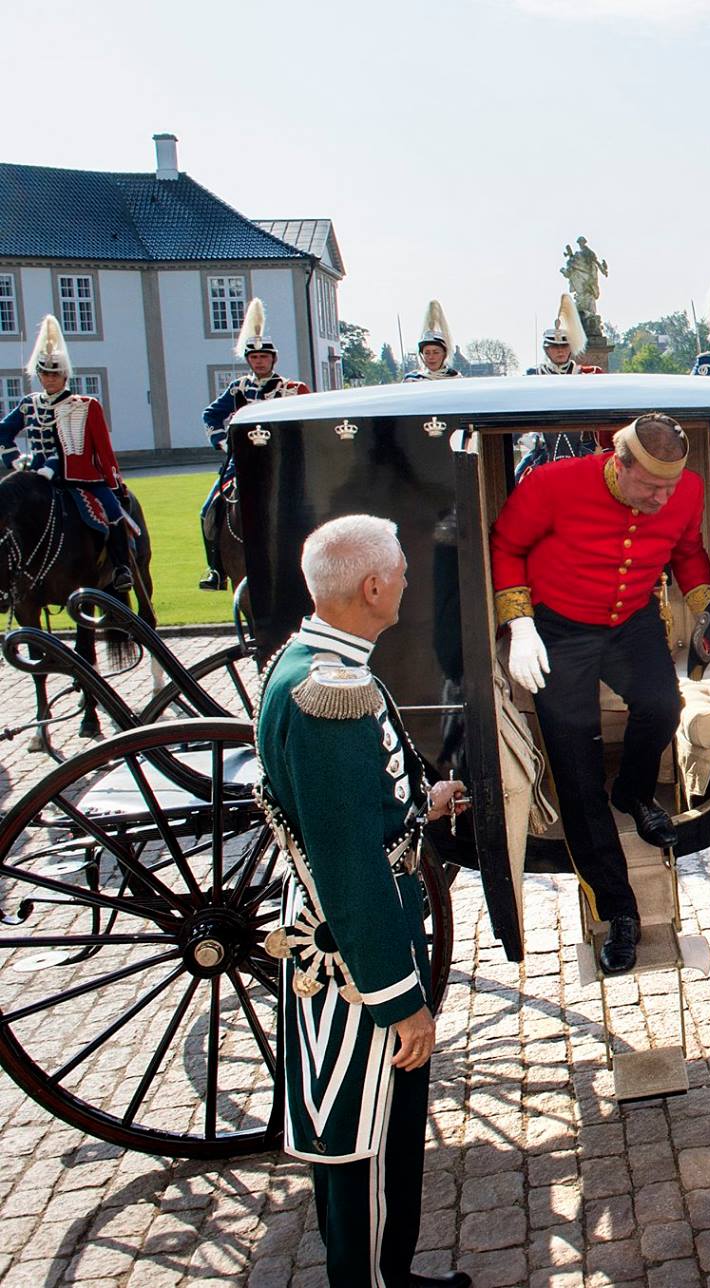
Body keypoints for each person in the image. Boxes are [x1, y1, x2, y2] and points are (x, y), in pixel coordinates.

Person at [255, 513, 470, 1288]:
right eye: (403, 571)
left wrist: (423, 799)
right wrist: (398, 997)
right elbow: (349, 864)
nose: (409, 581)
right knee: (369, 1134)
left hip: (338, 935)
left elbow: (351, 806)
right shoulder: (329, 692)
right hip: (354, 955)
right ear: (373, 586)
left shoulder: (314, 659)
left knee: (366, 1129)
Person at [490, 414, 710, 973]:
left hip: (631, 619)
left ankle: (634, 794)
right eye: (650, 486)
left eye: (671, 485)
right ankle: (617, 911)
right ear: (620, 463)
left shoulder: (686, 489)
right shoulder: (552, 483)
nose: (664, 497)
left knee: (663, 706)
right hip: (557, 626)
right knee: (576, 767)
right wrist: (519, 625)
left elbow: (687, 550)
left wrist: (707, 609)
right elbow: (506, 546)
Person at [0, 315, 137, 590]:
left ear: (64, 375)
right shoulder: (30, 404)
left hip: (78, 476)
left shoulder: (82, 405)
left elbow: (89, 447)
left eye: (54, 374)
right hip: (36, 476)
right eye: (45, 374)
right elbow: (4, 431)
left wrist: (56, 465)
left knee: (112, 511)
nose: (49, 379)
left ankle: (122, 569)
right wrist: (15, 460)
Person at [199, 299, 309, 589]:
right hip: (241, 465)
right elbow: (210, 416)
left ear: (273, 359)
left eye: (264, 356)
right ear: (249, 360)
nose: (259, 361)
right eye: (254, 357)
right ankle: (216, 570)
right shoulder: (238, 388)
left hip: (283, 465)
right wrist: (224, 444)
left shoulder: (292, 390)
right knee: (208, 511)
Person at [517, 294, 606, 480]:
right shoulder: (533, 376)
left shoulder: (586, 375)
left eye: (564, 347)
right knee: (517, 477)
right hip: (544, 444)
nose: (560, 351)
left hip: (582, 444)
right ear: (546, 350)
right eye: (554, 347)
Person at [405, 301, 461, 382]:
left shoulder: (456, 379)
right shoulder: (412, 380)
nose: (431, 357)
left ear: (444, 354)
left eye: (436, 352)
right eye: (427, 353)